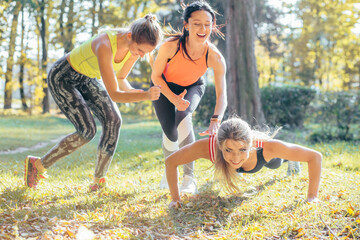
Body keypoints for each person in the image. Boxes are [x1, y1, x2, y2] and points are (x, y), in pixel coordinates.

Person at [24, 14, 163, 191]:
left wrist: (133, 92)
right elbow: (114, 94)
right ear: (130, 36)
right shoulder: (104, 44)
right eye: (141, 50)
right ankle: (37, 166)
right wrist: (145, 96)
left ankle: (99, 182)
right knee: (87, 130)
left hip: (86, 76)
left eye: (146, 52)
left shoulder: (134, 48)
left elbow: (121, 78)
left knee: (114, 119)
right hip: (63, 77)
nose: (142, 56)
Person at [151, 1, 227, 194]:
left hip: (193, 86)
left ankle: (189, 177)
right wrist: (173, 98)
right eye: (197, 24)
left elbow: (222, 96)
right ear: (186, 24)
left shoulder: (215, 57)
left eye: (207, 24)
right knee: (170, 134)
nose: (203, 29)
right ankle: (171, 171)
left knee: (184, 117)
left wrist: (215, 121)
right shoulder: (170, 47)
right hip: (163, 87)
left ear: (213, 25)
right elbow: (155, 76)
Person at [165, 117, 322, 208]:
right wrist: (175, 199)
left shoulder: (268, 147)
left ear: (251, 144)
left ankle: (292, 162)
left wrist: (312, 197)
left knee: (276, 164)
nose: (235, 158)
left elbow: (315, 157)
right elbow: (171, 162)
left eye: (242, 150)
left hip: (267, 159)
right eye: (228, 150)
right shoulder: (207, 147)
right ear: (219, 146)